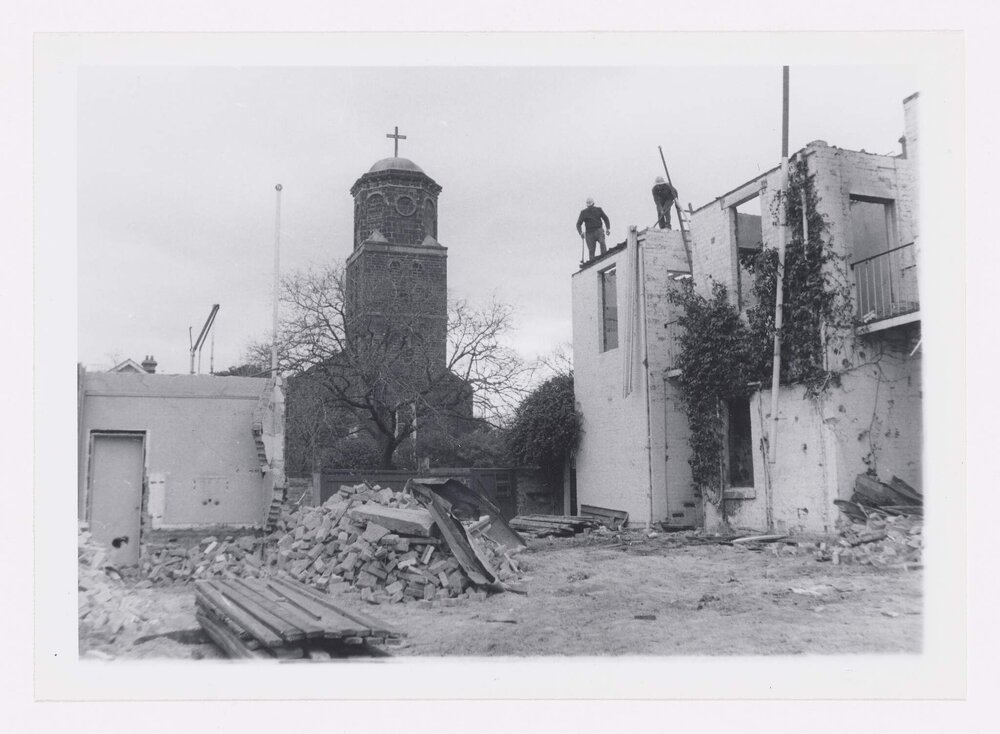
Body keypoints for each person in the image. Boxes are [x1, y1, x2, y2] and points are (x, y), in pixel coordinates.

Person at [576, 197, 611, 261]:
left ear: (593, 204)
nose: (590, 207)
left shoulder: (599, 210)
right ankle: (592, 262)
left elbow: (606, 218)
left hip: (598, 230)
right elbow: (578, 224)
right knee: (591, 250)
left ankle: (604, 258)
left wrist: (608, 228)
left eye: (591, 206)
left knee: (602, 243)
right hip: (589, 233)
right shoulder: (583, 212)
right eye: (589, 206)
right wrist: (580, 232)